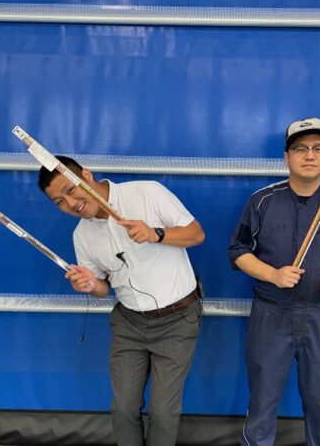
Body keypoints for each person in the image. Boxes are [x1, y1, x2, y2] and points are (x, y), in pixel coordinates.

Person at [38, 156, 205, 446]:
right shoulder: (82, 236)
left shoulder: (146, 192)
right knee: (123, 408)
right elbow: (103, 288)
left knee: (163, 413)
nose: (70, 202)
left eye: (70, 189)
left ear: (86, 175)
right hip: (129, 323)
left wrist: (157, 234)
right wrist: (90, 285)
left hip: (178, 319)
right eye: (59, 202)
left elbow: (196, 234)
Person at [228, 118, 320, 446]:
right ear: (286, 157)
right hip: (271, 315)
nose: (310, 155)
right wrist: (273, 274)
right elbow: (237, 251)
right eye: (301, 148)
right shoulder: (263, 200)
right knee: (262, 403)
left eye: (318, 148)